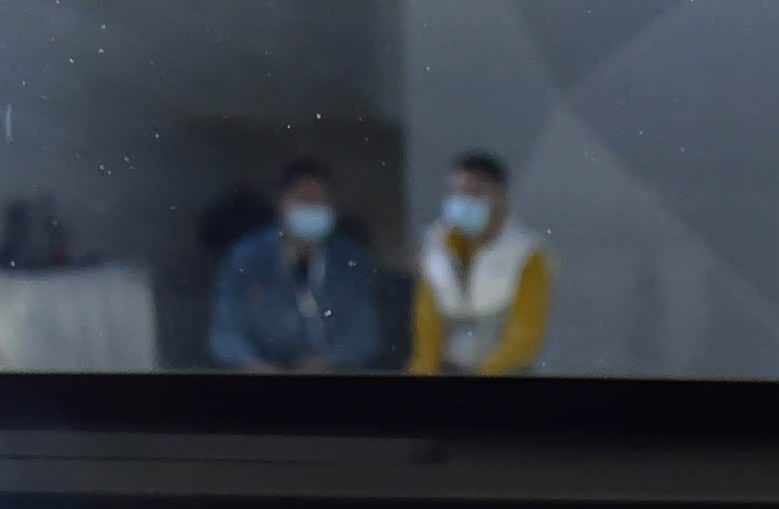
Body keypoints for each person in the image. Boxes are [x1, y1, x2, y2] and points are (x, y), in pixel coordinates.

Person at [208, 156, 383, 371]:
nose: (312, 207)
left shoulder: (350, 260)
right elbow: (224, 333)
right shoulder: (246, 257)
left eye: (320, 199)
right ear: (281, 204)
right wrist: (254, 366)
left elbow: (364, 336)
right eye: (303, 199)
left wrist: (326, 362)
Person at [407, 151, 550, 376]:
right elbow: (427, 330)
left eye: (475, 193)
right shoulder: (435, 247)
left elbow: (524, 336)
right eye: (456, 193)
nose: (463, 202)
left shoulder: (527, 254)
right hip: (450, 369)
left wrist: (484, 373)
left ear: (502, 197)